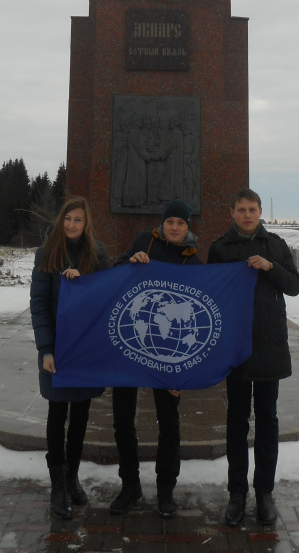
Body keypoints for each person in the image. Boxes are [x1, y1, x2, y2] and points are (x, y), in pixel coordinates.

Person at [207, 188, 299, 527]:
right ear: (231, 212)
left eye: (253, 209)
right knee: (236, 420)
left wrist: (270, 267)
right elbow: (210, 295)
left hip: (268, 343)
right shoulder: (219, 249)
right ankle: (236, 493)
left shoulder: (276, 245)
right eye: (241, 209)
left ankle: (264, 493)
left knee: (267, 419)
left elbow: (293, 285)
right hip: (235, 344)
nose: (247, 215)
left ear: (260, 212)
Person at [109, 199, 202, 518]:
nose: (174, 227)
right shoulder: (142, 240)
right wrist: (129, 263)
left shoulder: (193, 262)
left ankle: (165, 490)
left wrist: (186, 373)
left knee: (169, 424)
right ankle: (130, 486)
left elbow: (197, 319)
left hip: (167, 353)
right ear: (162, 223)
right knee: (122, 419)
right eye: (170, 221)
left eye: (181, 222)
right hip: (133, 345)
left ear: (188, 227)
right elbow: (115, 274)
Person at [30, 196, 109, 519]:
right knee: (57, 415)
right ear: (61, 220)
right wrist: (46, 349)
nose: (72, 225)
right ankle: (57, 486)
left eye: (78, 220)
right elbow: (40, 305)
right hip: (58, 350)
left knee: (80, 418)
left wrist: (85, 284)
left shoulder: (97, 254)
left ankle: (72, 477)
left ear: (86, 223)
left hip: (85, 351)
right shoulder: (47, 253)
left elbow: (106, 296)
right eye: (68, 219)